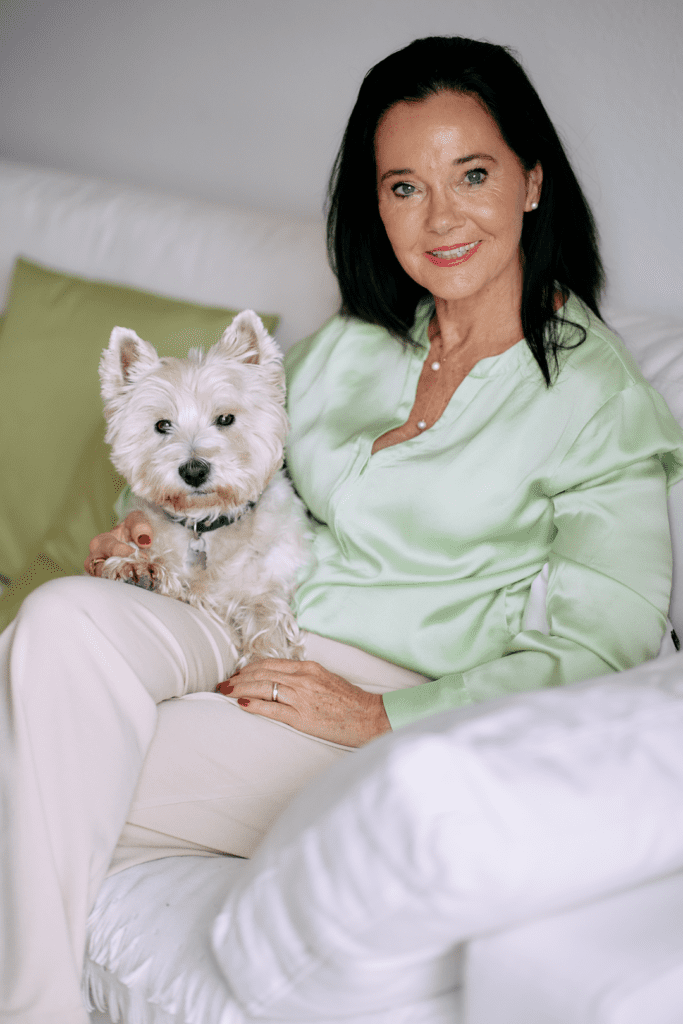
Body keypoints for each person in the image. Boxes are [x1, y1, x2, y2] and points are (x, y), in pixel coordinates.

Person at [2, 35, 682, 1024]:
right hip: (240, 607)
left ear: (532, 181)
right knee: (60, 617)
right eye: (403, 186)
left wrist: (377, 716)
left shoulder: (594, 398)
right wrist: (143, 540)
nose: (439, 217)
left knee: (38, 747)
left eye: (472, 174)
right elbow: (231, 480)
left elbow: (599, 644)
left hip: (375, 685)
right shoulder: (356, 340)